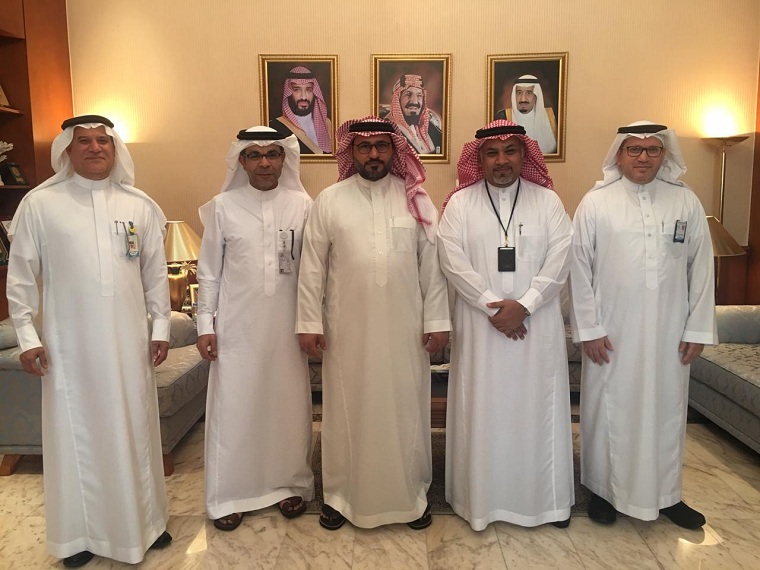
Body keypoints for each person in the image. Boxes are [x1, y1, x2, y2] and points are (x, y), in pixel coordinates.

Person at [6, 115, 172, 567]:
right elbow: (20, 278)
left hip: (129, 345)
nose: (95, 148)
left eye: (103, 140)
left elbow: (155, 276)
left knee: (136, 431)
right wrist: (27, 337)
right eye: (84, 141)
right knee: (75, 435)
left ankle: (149, 523)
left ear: (115, 150)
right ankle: (78, 536)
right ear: (67, 150)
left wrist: (160, 329)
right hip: (69, 348)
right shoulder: (40, 205)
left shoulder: (139, 205)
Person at [296, 116, 450, 531]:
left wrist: (437, 320)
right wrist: (309, 322)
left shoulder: (415, 199)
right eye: (364, 147)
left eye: (382, 146)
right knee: (346, 410)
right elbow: (312, 268)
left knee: (405, 408)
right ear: (352, 152)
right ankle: (340, 497)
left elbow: (432, 267)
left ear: (395, 150)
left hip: (406, 328)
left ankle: (412, 496)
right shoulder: (329, 200)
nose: (373, 154)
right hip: (347, 329)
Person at [569, 121, 716, 529]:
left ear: (664, 155)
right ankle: (603, 491)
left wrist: (697, 329)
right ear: (619, 155)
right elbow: (578, 269)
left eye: (652, 149)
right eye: (634, 149)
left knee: (667, 411)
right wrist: (589, 329)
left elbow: (702, 268)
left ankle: (667, 495)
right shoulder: (596, 203)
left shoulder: (685, 201)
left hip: (670, 335)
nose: (643, 157)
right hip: (611, 335)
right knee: (609, 410)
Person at [437, 120, 575, 531]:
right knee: (483, 412)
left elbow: (561, 259)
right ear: (478, 159)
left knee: (538, 412)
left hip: (537, 327)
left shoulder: (547, 201)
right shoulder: (460, 204)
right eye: (492, 153)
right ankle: (479, 501)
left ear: (523, 155)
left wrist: (525, 305)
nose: (502, 160)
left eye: (510, 151)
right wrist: (492, 307)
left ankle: (546, 504)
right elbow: (451, 261)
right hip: (481, 329)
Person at [196, 127, 314, 531]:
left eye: (273, 154)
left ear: (285, 159)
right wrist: (205, 324)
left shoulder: (303, 205)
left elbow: (315, 271)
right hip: (237, 328)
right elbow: (208, 272)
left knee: (288, 406)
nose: (265, 162)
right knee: (235, 407)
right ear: (241, 161)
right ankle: (229, 494)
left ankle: (290, 484)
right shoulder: (222, 207)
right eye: (255, 155)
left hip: (288, 327)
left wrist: (313, 322)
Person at [269, 65, 332, 154]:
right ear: (288, 93)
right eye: (297, 90)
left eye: (309, 90)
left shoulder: (328, 124)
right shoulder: (275, 126)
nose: (303, 97)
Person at [379, 74, 443, 154]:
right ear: (398, 100)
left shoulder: (430, 126)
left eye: (419, 95)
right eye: (408, 94)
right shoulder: (388, 131)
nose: (414, 101)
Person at [495, 75, 557, 154]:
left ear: (536, 96)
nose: (523, 99)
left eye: (529, 93)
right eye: (519, 93)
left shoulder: (552, 116)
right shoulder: (502, 117)